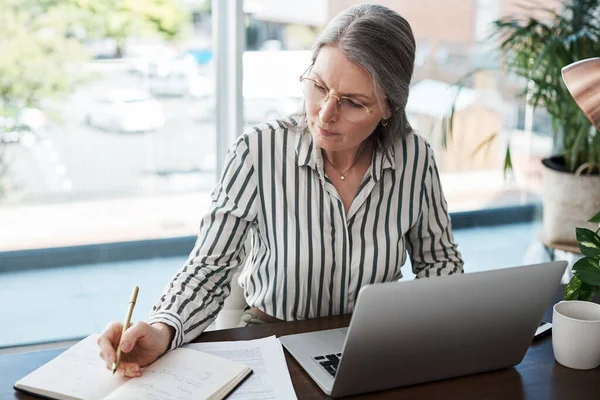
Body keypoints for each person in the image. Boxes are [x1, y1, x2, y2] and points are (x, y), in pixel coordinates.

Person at [98, 3, 464, 377]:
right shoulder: (257, 152)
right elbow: (208, 268)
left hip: (375, 345)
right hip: (273, 340)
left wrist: (424, 329)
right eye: (318, 87)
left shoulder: (414, 157)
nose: (325, 114)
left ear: (389, 107)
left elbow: (440, 262)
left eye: (354, 102)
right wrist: (162, 330)